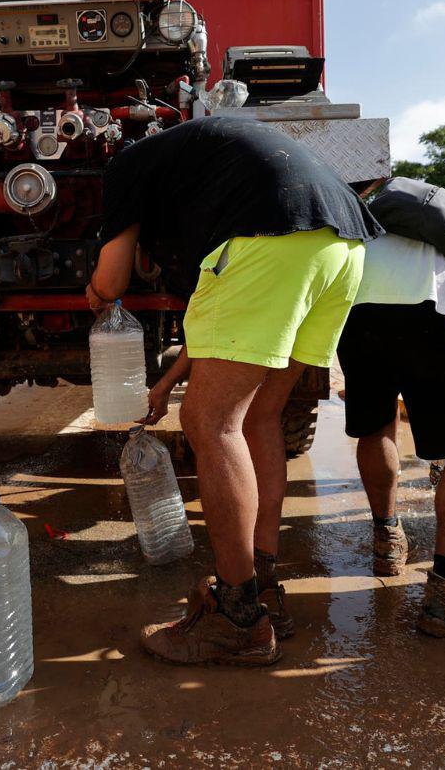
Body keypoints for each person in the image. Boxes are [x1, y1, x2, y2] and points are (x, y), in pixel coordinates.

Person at [88, 115, 380, 666]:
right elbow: (221, 330)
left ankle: (237, 616)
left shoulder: (126, 165)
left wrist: (94, 290)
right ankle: (263, 584)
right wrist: (170, 382)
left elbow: (111, 281)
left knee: (210, 424)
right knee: (257, 418)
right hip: (341, 247)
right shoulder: (206, 163)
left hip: (269, 243)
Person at [335, 232, 445, 636]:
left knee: (376, 426)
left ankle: (387, 538)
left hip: (356, 312)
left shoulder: (366, 231)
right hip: (431, 312)